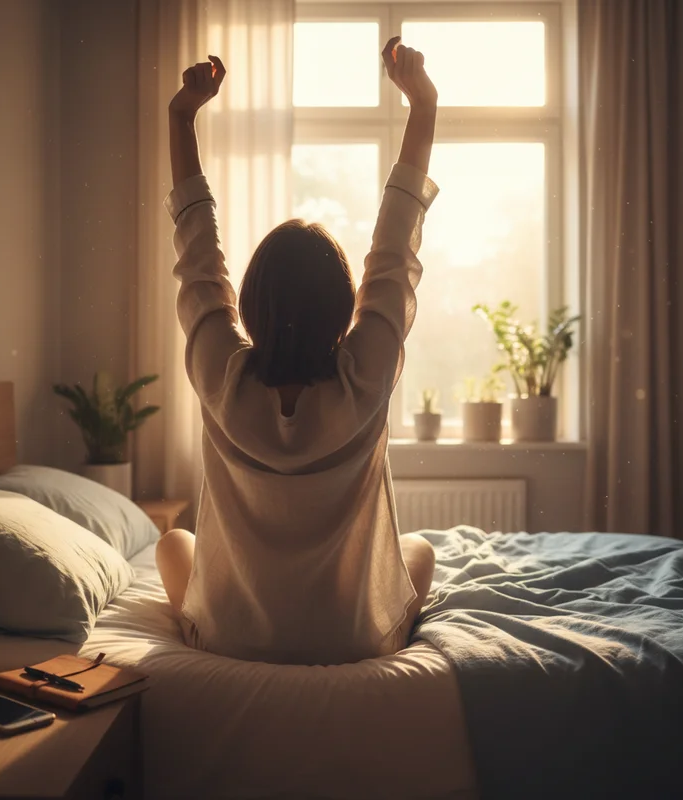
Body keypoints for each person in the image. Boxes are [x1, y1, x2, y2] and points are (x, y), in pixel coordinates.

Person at [156, 36, 440, 666]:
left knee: (173, 544)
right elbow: (394, 253)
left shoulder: (220, 376)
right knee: (418, 552)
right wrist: (422, 106)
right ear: (345, 308)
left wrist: (182, 117)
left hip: (233, 638)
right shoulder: (364, 379)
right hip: (353, 641)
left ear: (250, 304)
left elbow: (197, 257)